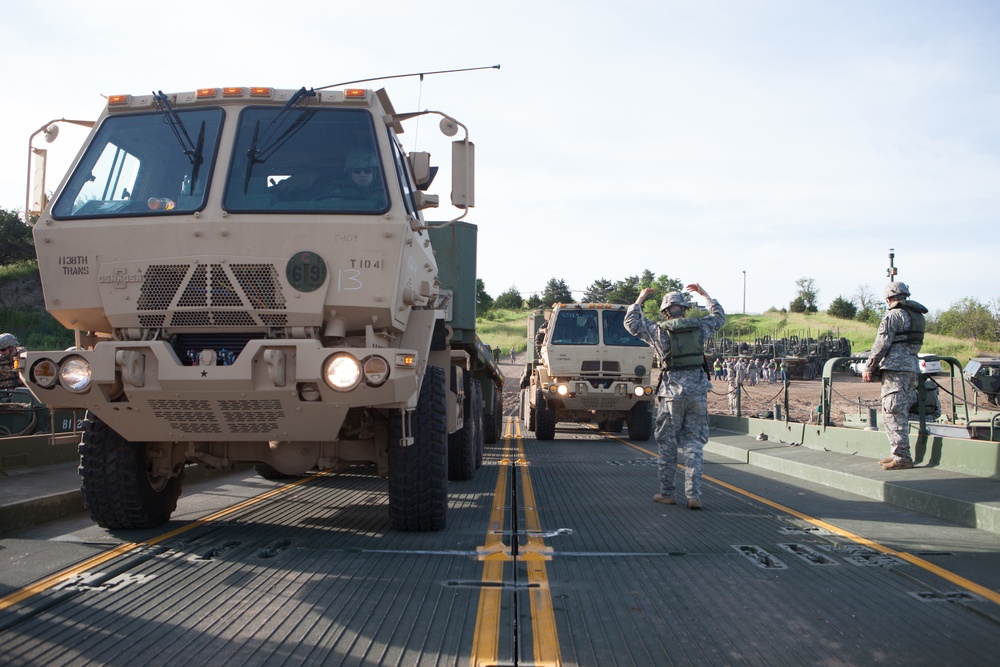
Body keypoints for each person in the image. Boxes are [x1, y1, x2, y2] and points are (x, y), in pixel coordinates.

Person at [625, 284, 725, 509]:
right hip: (697, 394)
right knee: (694, 444)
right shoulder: (700, 327)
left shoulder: (659, 331)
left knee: (668, 445)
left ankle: (668, 492)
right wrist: (706, 295)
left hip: (671, 394)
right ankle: (694, 496)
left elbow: (631, 323)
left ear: (665, 312)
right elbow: (719, 316)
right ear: (685, 310)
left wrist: (639, 299)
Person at [863, 281, 927, 470]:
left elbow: (881, 344)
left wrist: (869, 367)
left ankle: (902, 457)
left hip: (896, 370)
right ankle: (897, 454)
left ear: (888, 298)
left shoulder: (893, 315)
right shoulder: (916, 316)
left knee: (893, 411)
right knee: (900, 411)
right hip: (911, 368)